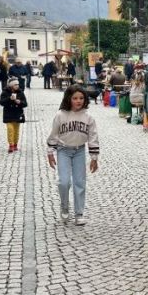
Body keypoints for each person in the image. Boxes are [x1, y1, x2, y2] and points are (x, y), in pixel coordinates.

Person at [46, 85, 100, 226]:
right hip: (63, 150)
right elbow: (54, 134)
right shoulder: (60, 115)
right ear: (68, 98)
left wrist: (94, 158)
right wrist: (50, 152)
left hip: (79, 151)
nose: (78, 101)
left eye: (81, 98)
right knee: (64, 182)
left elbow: (93, 137)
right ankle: (64, 206)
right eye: (75, 98)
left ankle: (79, 213)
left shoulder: (88, 117)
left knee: (79, 182)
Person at [0, 77, 27, 153]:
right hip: (8, 114)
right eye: (15, 84)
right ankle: (11, 145)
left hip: (17, 114)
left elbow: (25, 104)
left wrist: (20, 102)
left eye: (18, 84)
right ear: (11, 85)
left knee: (16, 131)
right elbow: (1, 102)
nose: (17, 86)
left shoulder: (20, 92)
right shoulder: (5, 92)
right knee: (10, 129)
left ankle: (15, 144)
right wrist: (9, 99)